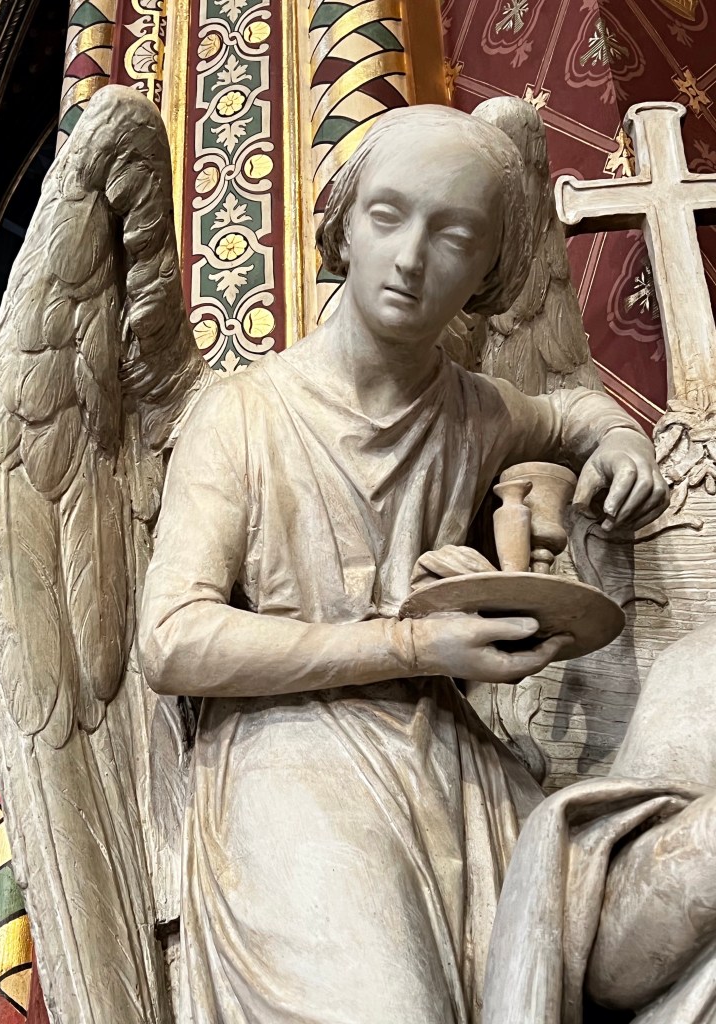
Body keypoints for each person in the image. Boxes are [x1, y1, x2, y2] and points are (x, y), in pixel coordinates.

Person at [139, 105, 668, 1024]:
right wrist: (418, 644)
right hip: (288, 755)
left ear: (488, 272)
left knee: (649, 926)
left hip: (447, 759)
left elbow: (571, 414)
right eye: (388, 216)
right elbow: (173, 641)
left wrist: (621, 440)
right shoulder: (242, 416)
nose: (412, 258)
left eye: (454, 236)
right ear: (344, 226)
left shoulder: (476, 412)